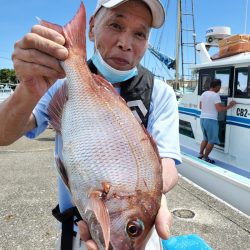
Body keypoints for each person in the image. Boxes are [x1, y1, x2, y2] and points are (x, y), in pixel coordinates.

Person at [0, 0, 181, 249]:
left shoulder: (160, 93)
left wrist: (154, 195)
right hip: (74, 234)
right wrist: (28, 91)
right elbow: (4, 134)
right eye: (116, 25)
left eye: (140, 33)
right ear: (92, 27)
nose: (125, 43)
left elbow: (168, 163)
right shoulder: (59, 83)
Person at [198, 79, 236, 164]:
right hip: (211, 120)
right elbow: (219, 109)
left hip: (202, 119)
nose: (219, 89)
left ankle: (200, 154)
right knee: (212, 140)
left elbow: (201, 106)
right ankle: (206, 157)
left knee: (205, 138)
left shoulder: (204, 94)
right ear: (217, 86)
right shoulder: (215, 95)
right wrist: (230, 106)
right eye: (219, 87)